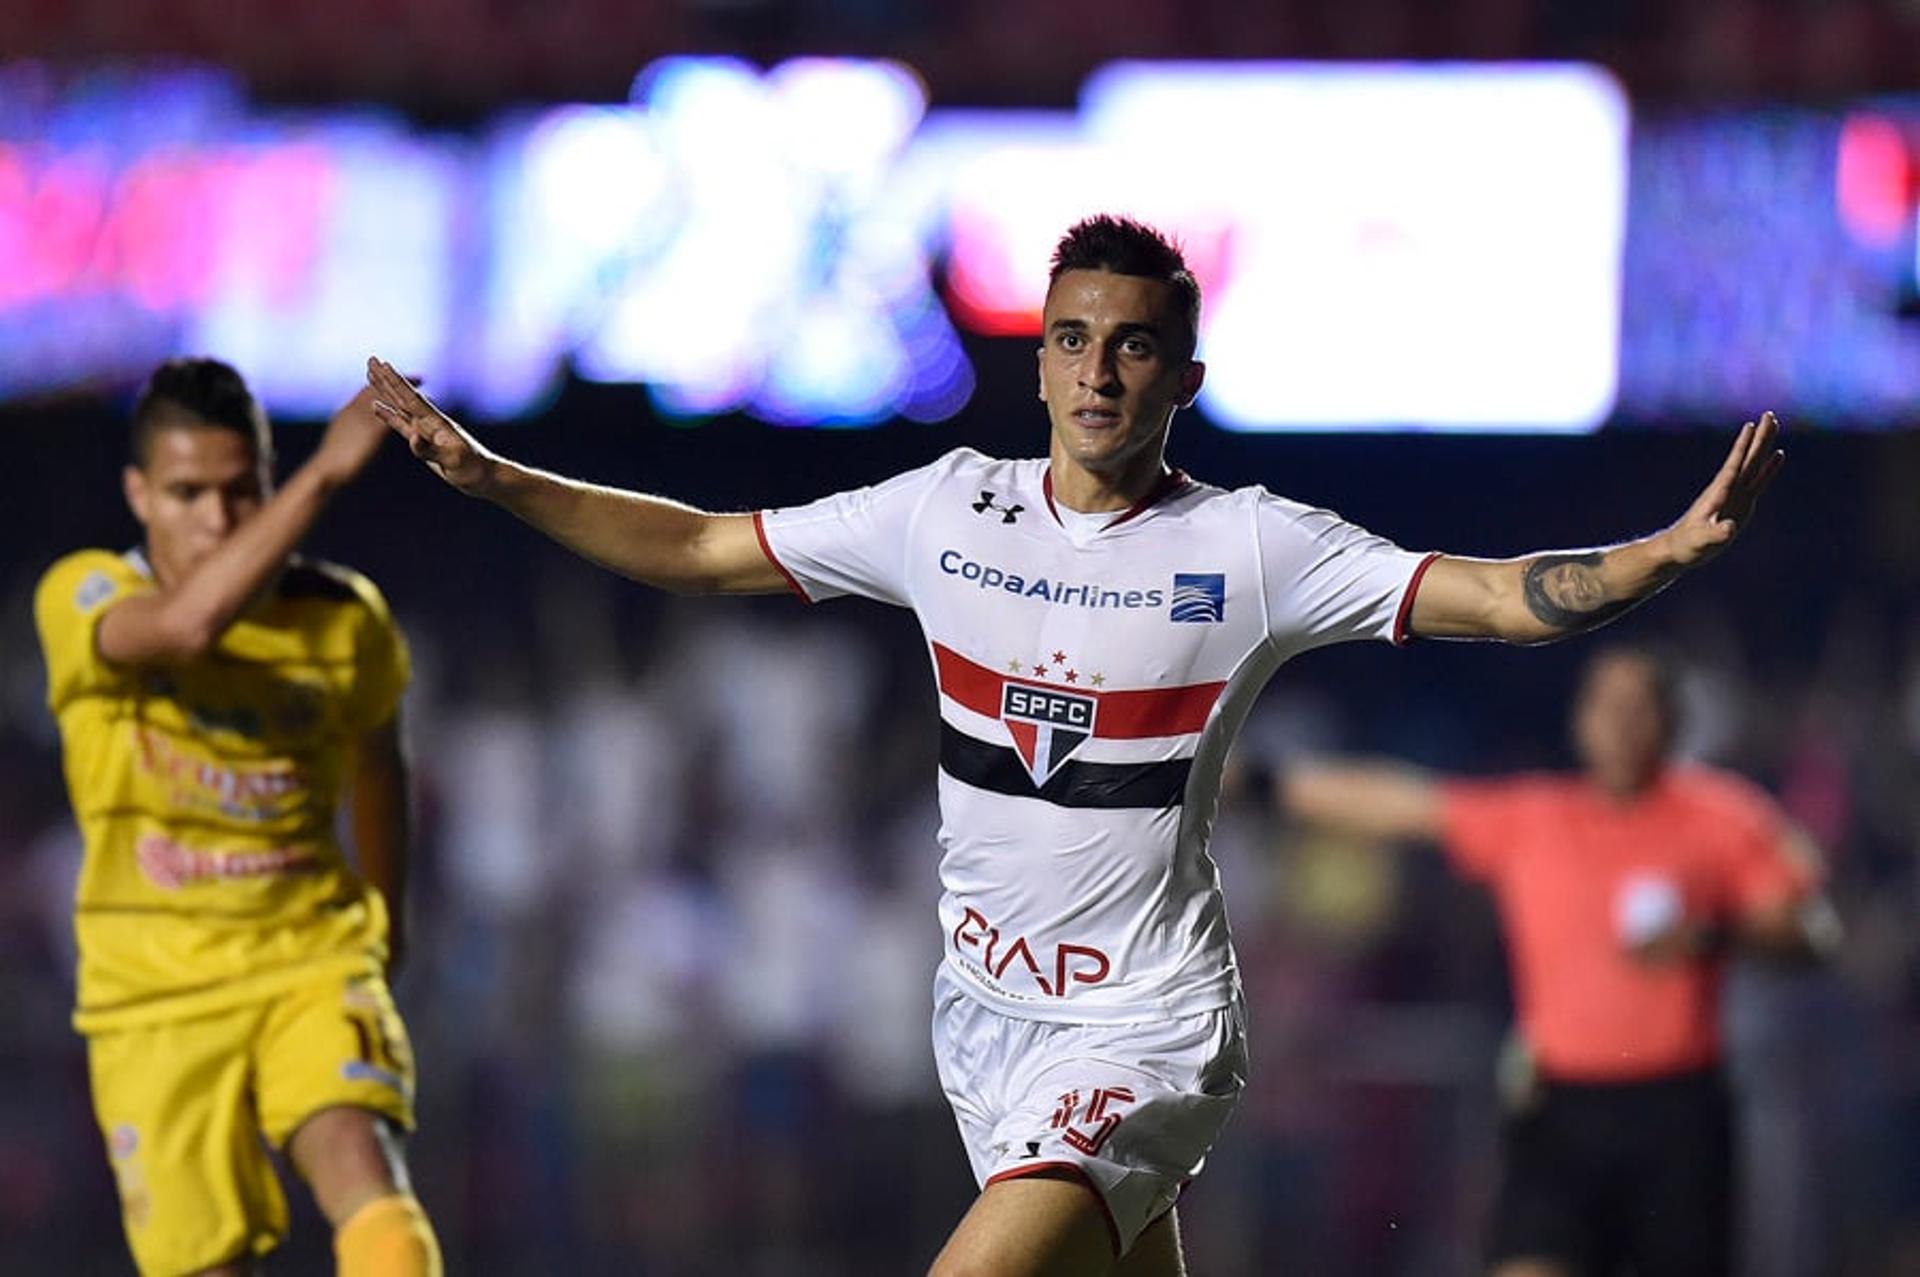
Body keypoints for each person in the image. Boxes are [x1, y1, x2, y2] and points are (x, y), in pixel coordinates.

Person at [365, 214, 1781, 1277]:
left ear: (1186, 374)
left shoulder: (1251, 548)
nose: (1099, 370)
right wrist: (492, 476)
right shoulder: (943, 512)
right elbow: (691, 544)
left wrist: (1659, 553)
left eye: (1134, 344)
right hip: (984, 1021)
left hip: (1144, 1027)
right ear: (1039, 360)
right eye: (1072, 338)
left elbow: (1486, 594)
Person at [33, 358, 442, 1277]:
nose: (216, 520)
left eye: (238, 490)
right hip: (152, 995)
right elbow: (182, 631)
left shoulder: (344, 622)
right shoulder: (83, 595)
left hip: (307, 957)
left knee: (365, 1175)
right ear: (139, 494)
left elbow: (382, 766)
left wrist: (387, 923)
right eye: (187, 494)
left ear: (263, 483)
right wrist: (328, 472)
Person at [1279, 646, 1837, 1277]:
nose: (1622, 723)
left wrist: (1712, 936)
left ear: (1670, 722)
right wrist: (1265, 783)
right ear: (1581, 719)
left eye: (1639, 707)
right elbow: (1405, 803)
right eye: (1607, 705)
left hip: (1677, 1114)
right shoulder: (1538, 819)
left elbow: (1814, 932)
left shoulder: (1723, 817)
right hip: (1560, 1112)